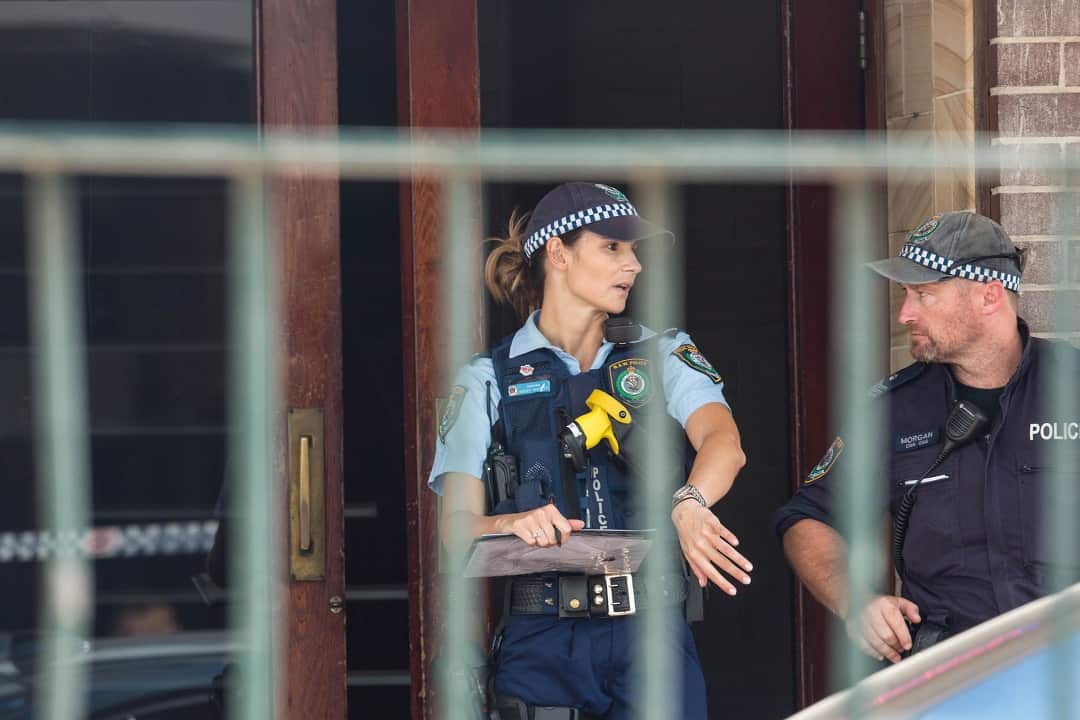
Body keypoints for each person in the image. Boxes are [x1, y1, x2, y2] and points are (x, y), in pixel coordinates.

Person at [427, 182, 752, 719]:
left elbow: (724, 442)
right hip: (544, 641)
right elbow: (454, 528)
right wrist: (509, 525)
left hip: (653, 638)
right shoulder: (487, 379)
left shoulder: (664, 350)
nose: (635, 265)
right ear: (558, 253)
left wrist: (690, 501)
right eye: (613, 247)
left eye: (634, 250)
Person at [774, 211, 1080, 665]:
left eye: (924, 294)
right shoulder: (892, 408)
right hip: (946, 676)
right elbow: (807, 517)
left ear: (988, 296)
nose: (905, 313)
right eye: (905, 294)